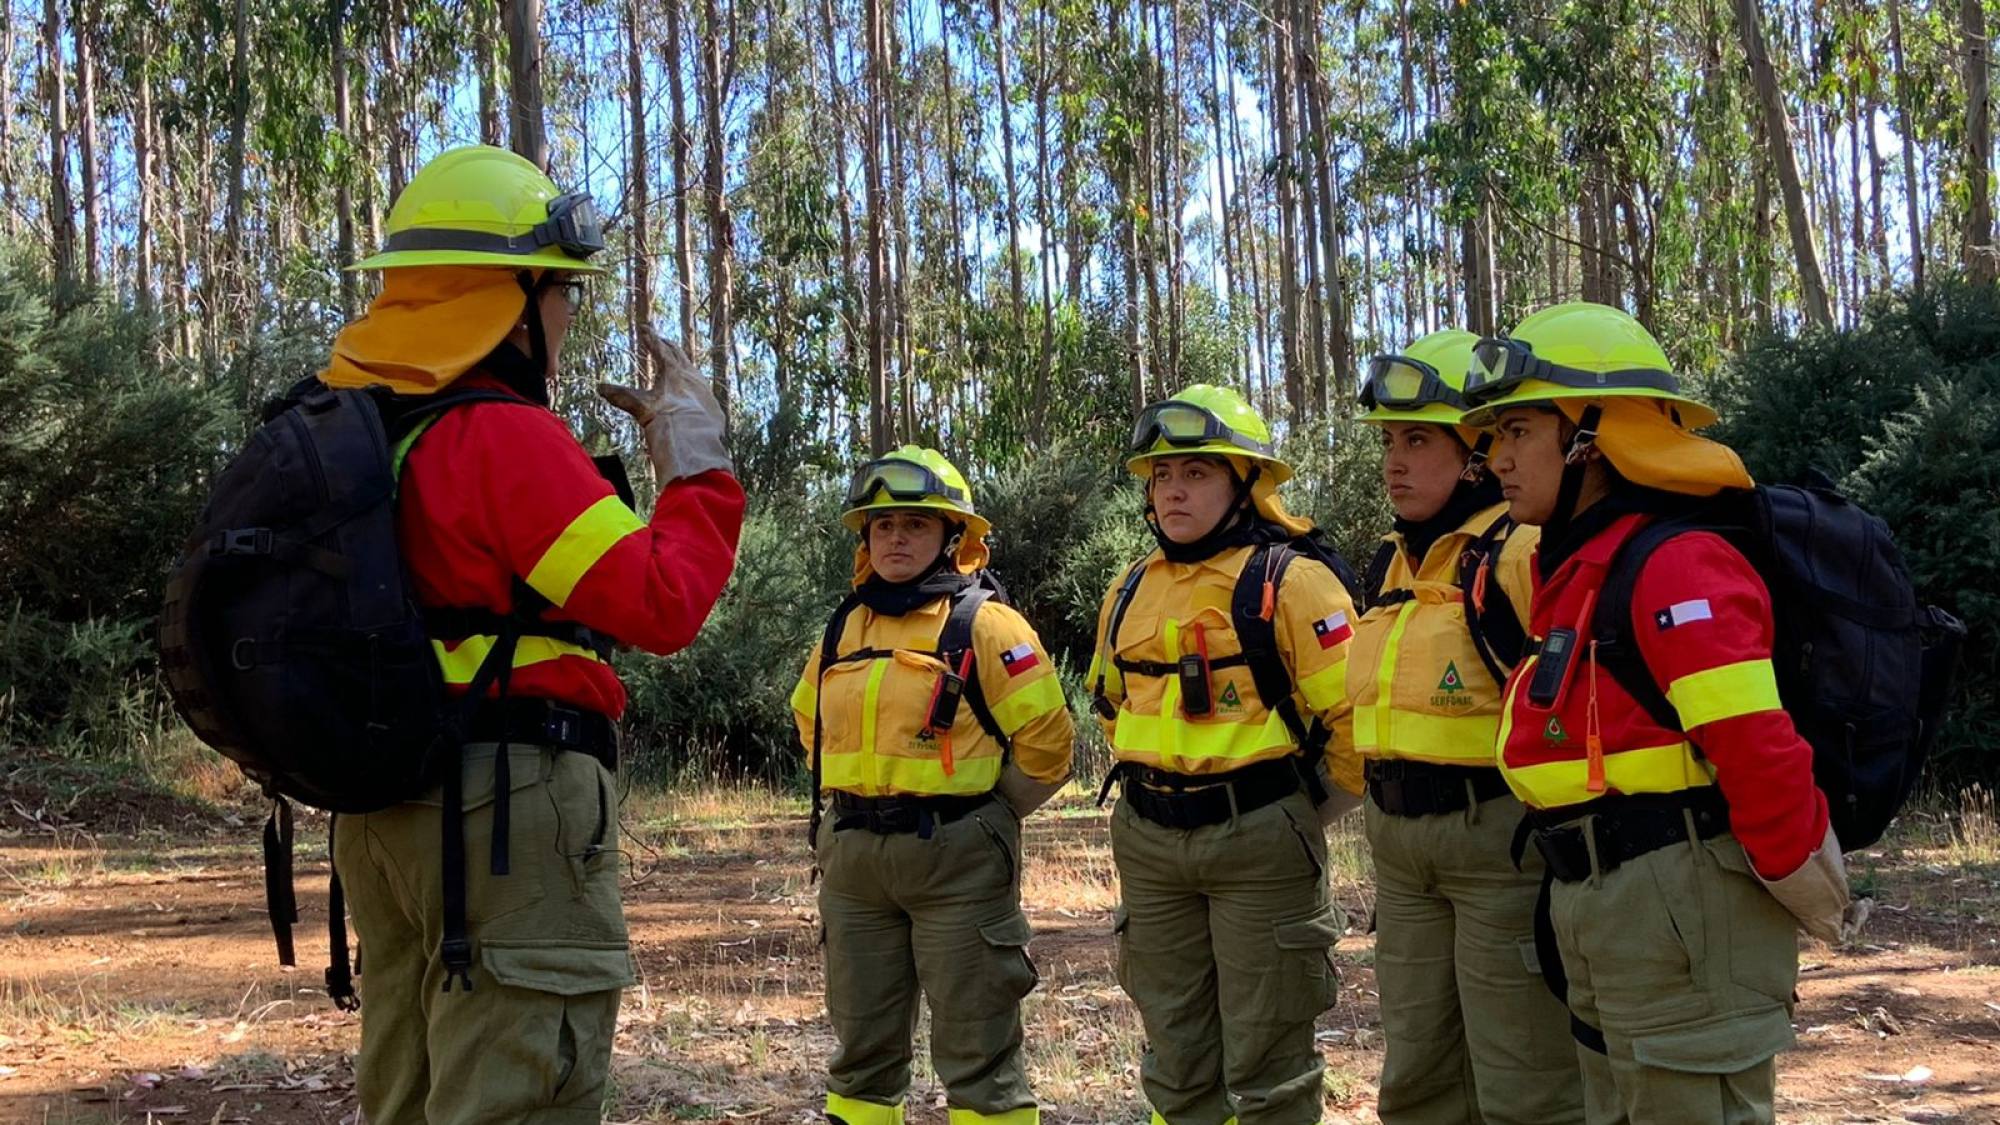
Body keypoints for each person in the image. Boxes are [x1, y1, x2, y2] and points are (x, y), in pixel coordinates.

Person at [324, 144, 745, 1125]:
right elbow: (659, 602)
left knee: (413, 1088)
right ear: (509, 302)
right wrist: (699, 472)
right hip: (504, 810)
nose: (565, 317)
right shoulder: (498, 436)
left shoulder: (361, 432)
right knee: (521, 1086)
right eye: (560, 294)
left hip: (380, 805)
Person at [1463, 301, 1849, 1123]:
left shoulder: (1678, 565)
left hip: (1680, 906)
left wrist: (1806, 887)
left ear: (1593, 438)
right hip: (1601, 902)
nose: (1496, 457)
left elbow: (1757, 749)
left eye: (1519, 430)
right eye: (1495, 434)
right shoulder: (1573, 569)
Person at [1087, 384, 1363, 1125]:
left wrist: (1294, 814)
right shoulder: (1129, 587)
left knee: (1270, 1069)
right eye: (1162, 475)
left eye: (1197, 473)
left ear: (1246, 482)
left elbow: (1357, 729)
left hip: (1261, 841)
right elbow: (1113, 706)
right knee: (1174, 1063)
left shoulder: (1297, 582)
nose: (1173, 490)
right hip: (1149, 844)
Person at [790, 445, 1075, 1125]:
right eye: (882, 525)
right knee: (862, 1045)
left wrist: (988, 815)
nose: (895, 538)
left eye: (915, 524)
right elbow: (811, 724)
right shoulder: (843, 626)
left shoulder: (984, 623)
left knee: (978, 1044)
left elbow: (1049, 744)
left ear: (954, 537)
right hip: (855, 863)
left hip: (958, 859)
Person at [1346, 329, 1582, 1124]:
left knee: (1525, 1082)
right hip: (1401, 850)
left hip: (1500, 845)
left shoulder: (1519, 553)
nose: (1394, 461)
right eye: (1389, 441)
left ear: (1476, 452)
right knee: (1418, 1081)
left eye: (1418, 438)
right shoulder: (1393, 560)